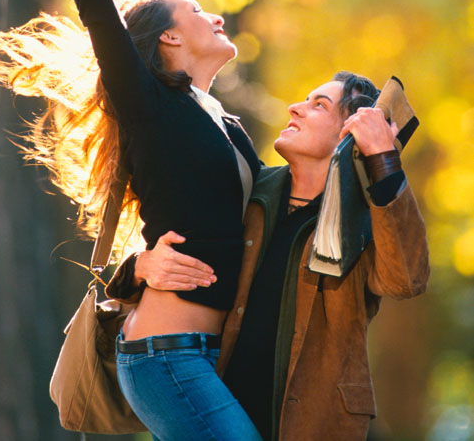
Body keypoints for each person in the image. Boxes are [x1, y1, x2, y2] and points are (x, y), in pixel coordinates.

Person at [0, 0, 263, 441]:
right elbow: (100, 13)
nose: (215, 15)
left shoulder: (227, 126)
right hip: (166, 355)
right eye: (196, 10)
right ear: (169, 36)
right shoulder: (151, 108)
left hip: (213, 352)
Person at [111, 71, 429, 440]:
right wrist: (138, 266)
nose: (295, 108)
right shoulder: (246, 192)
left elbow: (406, 278)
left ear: (348, 135)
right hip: (214, 402)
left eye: (319, 105)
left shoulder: (370, 219)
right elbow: (169, 249)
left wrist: (383, 159)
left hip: (312, 423)